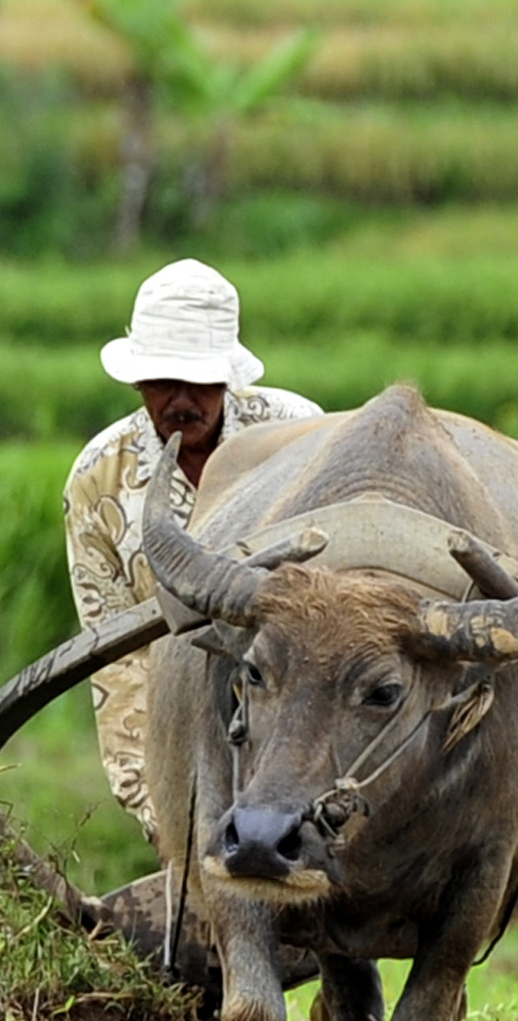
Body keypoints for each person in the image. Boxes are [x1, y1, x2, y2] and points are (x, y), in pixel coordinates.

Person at [63, 258, 323, 839]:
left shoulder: (297, 433)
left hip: (297, 711)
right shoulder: (98, 479)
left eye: (201, 383)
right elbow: (114, 657)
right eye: (163, 383)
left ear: (229, 378)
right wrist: (155, 807)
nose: (182, 400)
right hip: (180, 714)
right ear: (136, 383)